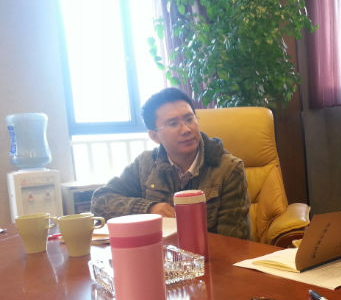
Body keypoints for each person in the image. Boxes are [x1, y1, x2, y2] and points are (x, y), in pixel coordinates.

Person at [91, 87, 251, 239]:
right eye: (173, 123)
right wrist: (149, 209)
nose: (186, 129)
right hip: (157, 253)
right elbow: (100, 201)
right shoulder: (145, 164)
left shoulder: (228, 168)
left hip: (208, 255)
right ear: (154, 136)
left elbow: (232, 242)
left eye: (189, 119)